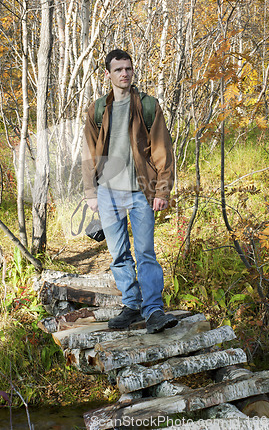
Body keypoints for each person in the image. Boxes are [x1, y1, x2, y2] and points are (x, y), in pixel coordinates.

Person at [82, 49, 178, 334]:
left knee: (145, 251)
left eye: (128, 68)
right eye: (118, 70)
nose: (124, 73)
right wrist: (90, 192)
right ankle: (131, 305)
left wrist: (162, 190)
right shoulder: (97, 109)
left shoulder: (148, 106)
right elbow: (89, 154)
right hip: (107, 193)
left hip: (141, 191)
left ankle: (153, 311)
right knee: (118, 254)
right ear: (108, 74)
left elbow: (163, 150)